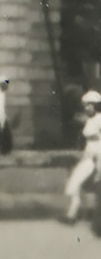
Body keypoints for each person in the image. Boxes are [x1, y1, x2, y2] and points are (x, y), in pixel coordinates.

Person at [64, 90, 101, 223]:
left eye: (89, 105)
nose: (87, 108)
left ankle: (73, 215)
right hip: (88, 157)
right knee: (74, 185)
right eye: (85, 105)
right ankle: (75, 213)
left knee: (76, 184)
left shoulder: (99, 120)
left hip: (95, 157)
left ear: (96, 105)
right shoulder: (91, 119)